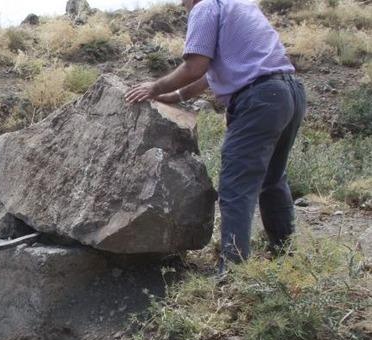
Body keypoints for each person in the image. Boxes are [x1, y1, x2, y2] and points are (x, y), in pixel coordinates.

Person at [125, 0, 306, 270]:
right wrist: (175, 95)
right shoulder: (240, 5)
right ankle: (285, 256)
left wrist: (154, 86)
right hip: (289, 93)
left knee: (235, 186)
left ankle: (232, 272)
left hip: (259, 98)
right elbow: (211, 73)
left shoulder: (205, 7)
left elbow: (195, 66)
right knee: (272, 178)